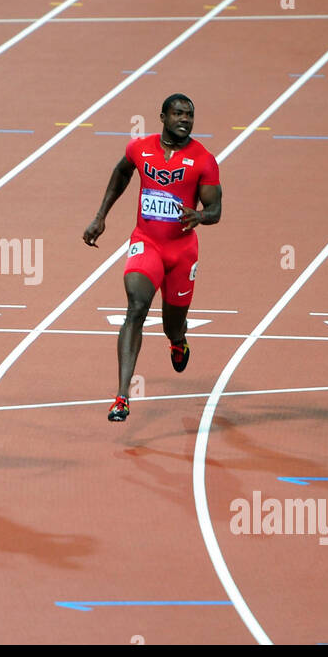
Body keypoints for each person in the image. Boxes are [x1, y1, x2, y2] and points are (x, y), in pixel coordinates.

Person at [83, 93, 222, 422]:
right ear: (162, 117)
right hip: (146, 243)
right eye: (177, 114)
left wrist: (200, 216)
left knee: (171, 325)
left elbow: (216, 209)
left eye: (189, 114)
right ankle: (122, 396)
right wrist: (100, 216)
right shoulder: (139, 148)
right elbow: (121, 174)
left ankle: (178, 340)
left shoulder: (204, 160)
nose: (184, 120)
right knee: (136, 306)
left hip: (182, 252)